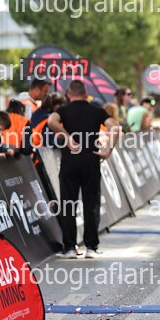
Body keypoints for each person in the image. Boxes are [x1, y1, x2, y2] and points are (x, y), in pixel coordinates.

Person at [48, 80, 120, 259]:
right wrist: (108, 150)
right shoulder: (97, 111)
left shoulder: (63, 111)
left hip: (69, 163)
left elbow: (51, 121)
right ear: (86, 93)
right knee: (91, 204)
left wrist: (66, 137)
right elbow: (115, 127)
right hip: (91, 161)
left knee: (68, 205)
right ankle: (91, 247)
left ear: (68, 94)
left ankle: (70, 248)